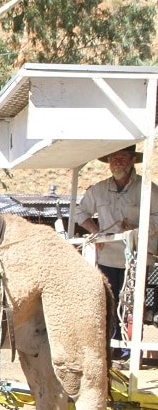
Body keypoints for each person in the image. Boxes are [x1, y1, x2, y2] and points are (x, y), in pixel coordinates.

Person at [74, 144, 158, 359]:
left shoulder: (148, 189)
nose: (117, 162)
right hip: (107, 257)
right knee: (107, 302)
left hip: (137, 258)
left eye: (122, 157)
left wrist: (137, 228)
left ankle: (129, 351)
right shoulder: (99, 189)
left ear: (132, 161)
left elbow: (156, 219)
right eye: (114, 158)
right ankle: (109, 348)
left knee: (131, 304)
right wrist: (96, 232)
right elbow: (79, 212)